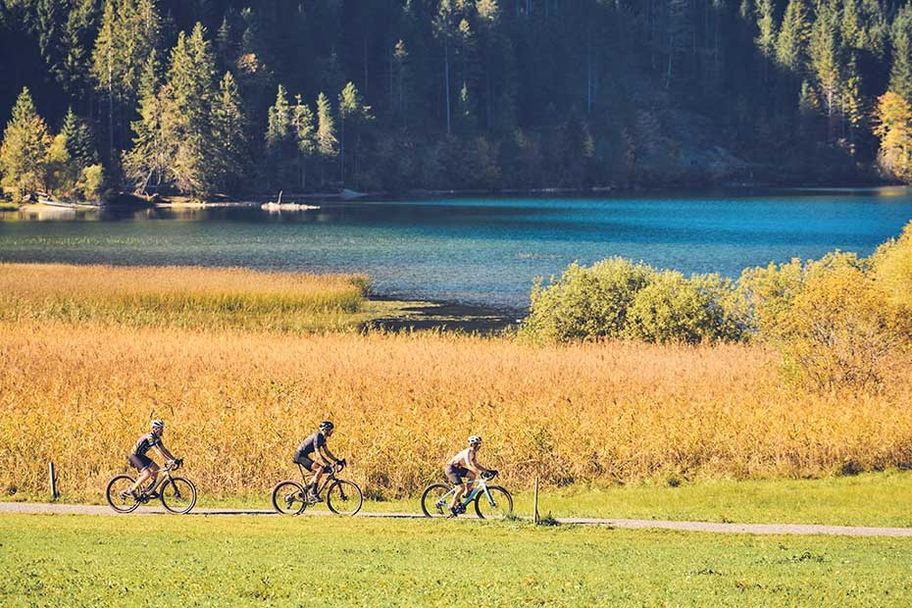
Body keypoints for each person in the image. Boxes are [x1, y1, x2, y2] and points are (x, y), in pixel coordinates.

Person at [124, 419, 180, 499]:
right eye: (160, 428)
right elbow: (157, 450)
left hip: (141, 456)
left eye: (162, 428)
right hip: (134, 456)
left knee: (156, 469)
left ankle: (150, 489)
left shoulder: (157, 438)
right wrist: (168, 460)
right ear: (155, 429)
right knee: (147, 473)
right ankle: (132, 490)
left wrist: (174, 460)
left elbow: (164, 450)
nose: (162, 430)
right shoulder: (150, 437)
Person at [445, 435, 495, 517]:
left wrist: (487, 471)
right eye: (476, 444)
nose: (478, 446)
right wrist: (478, 473)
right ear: (471, 445)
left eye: (479, 444)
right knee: (461, 487)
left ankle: (466, 493)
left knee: (472, 476)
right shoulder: (467, 452)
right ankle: (451, 506)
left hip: (458, 468)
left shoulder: (473, 453)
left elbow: (476, 465)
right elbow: (469, 465)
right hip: (451, 469)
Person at [293, 420, 342, 501]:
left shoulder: (323, 439)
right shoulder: (318, 436)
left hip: (304, 456)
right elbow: (318, 453)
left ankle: (306, 489)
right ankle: (313, 493)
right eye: (330, 430)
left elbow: (327, 452)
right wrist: (327, 463)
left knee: (320, 471)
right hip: (299, 456)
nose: (331, 432)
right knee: (320, 469)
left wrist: (337, 460)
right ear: (325, 429)